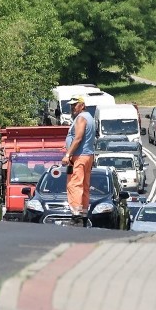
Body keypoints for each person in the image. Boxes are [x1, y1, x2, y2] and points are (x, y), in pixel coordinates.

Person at [61, 95, 96, 225]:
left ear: (82, 105)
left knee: (74, 185)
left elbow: (78, 138)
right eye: (71, 105)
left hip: (79, 157)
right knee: (84, 186)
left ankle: (76, 217)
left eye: (75, 105)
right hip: (87, 156)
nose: (72, 108)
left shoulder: (81, 118)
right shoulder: (90, 118)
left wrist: (68, 154)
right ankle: (84, 214)